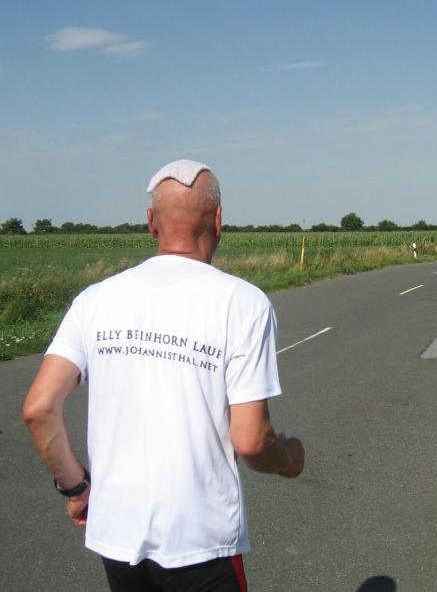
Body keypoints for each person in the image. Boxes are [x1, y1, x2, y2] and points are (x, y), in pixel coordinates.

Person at [23, 159, 304, 592]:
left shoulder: (94, 300)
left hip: (116, 537)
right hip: (202, 543)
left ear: (152, 222)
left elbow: (40, 408)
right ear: (218, 220)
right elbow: (250, 441)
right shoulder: (243, 304)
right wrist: (287, 458)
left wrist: (77, 488)